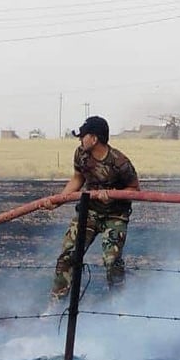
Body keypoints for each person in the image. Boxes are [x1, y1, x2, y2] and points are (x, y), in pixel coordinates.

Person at [44, 116, 140, 301]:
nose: (80, 140)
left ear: (94, 139)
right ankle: (56, 304)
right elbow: (78, 178)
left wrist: (112, 194)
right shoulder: (81, 154)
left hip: (115, 215)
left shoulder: (120, 162)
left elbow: (134, 189)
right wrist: (58, 200)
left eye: (83, 136)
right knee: (67, 256)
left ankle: (119, 305)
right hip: (89, 212)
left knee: (112, 261)